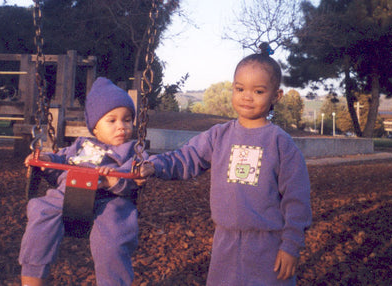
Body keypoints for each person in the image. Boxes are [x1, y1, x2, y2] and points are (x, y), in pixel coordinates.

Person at [140, 43, 312, 285]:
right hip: (225, 243)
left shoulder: (281, 144)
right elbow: (187, 157)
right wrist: (155, 165)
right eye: (240, 88)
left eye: (259, 91)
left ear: (276, 95)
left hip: (268, 246)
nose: (247, 96)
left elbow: (297, 199)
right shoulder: (218, 136)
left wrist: (291, 246)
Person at [19, 77, 147, 286]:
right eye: (112, 120)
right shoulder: (80, 145)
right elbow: (59, 160)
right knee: (40, 210)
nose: (122, 126)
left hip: (109, 201)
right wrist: (45, 160)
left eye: (127, 119)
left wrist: (111, 179)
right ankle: (32, 277)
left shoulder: (133, 150)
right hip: (67, 193)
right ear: (95, 128)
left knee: (114, 237)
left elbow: (135, 176)